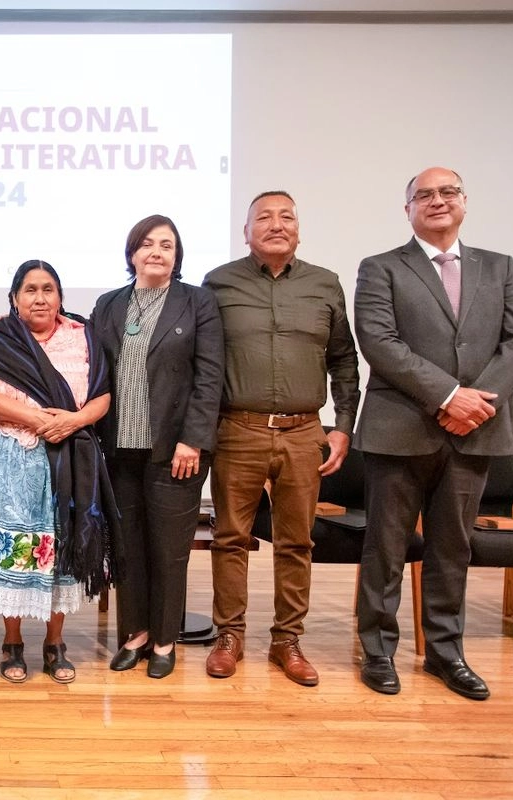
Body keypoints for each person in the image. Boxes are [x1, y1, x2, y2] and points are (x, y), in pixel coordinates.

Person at [354, 167, 513, 700]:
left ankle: (445, 653)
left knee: (453, 547)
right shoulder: (381, 267)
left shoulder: (500, 268)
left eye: (447, 191)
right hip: (401, 428)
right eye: (423, 194)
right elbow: (379, 342)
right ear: (407, 208)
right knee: (385, 547)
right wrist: (449, 396)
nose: (437, 201)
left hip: (477, 429)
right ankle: (378, 650)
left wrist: (475, 405)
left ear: (465, 202)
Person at [202, 190, 360, 686]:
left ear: (298, 228)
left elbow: (344, 362)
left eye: (286, 216)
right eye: (263, 217)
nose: (276, 224)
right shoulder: (218, 283)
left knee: (296, 541)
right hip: (238, 430)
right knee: (230, 538)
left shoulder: (324, 284)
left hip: (304, 432)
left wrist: (344, 427)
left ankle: (287, 640)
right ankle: (229, 636)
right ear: (245, 231)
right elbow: (201, 361)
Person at [0, 260, 115, 684]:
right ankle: (13, 641)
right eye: (30, 290)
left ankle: (55, 643)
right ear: (14, 297)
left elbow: (102, 397)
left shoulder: (83, 336)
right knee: (15, 550)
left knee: (61, 548)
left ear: (60, 296)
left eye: (48, 289)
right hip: (8, 462)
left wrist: (74, 422)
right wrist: (38, 418)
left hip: (69, 459)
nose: (40, 298)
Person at [91, 216, 224, 679]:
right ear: (132, 253)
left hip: (175, 451)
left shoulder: (198, 303)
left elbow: (210, 378)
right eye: (147, 244)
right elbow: (84, 352)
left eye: (166, 245)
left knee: (169, 550)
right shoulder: (109, 304)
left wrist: (194, 439)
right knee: (128, 546)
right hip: (119, 449)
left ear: (177, 256)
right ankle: (136, 636)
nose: (156, 252)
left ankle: (165, 641)